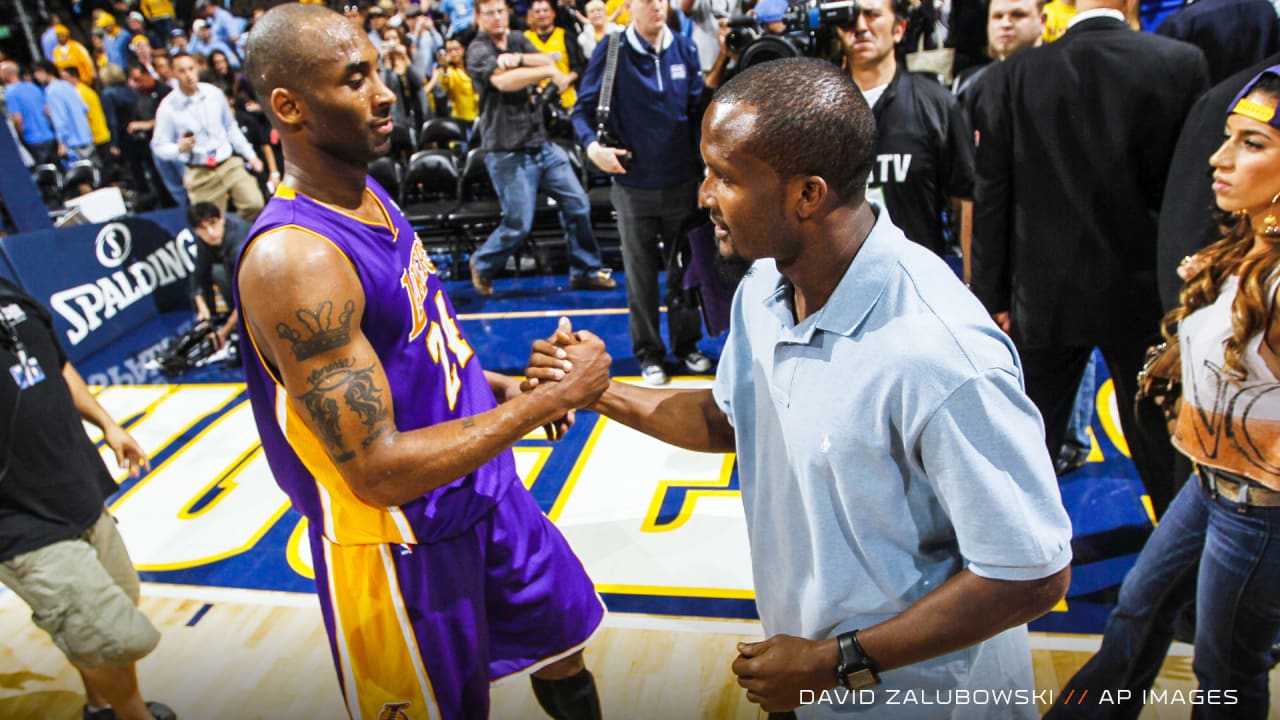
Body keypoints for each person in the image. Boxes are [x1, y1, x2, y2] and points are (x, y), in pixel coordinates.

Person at [532, 58, 1072, 717]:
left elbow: (1031, 574)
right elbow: (735, 418)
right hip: (815, 683)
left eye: (725, 177)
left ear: (807, 196)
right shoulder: (765, 286)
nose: (705, 195)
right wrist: (593, 391)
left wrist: (837, 661)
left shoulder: (941, 354)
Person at [237, 6, 610, 719]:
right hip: (399, 544)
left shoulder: (366, 191)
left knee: (563, 644)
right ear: (290, 107)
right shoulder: (296, 260)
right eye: (355, 81)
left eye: (378, 70)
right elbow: (376, 471)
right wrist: (530, 410)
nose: (384, 93)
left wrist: (507, 384)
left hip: (480, 489)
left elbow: (417, 345)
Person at [1046, 65, 1280, 720]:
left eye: (1252, 143)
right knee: (1139, 610)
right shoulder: (1247, 247)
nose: (1220, 157)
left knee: (1227, 670)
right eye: (1228, 137)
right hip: (1207, 485)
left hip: (1256, 506)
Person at [970, 0, 1209, 517]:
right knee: (1161, 451)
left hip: (1042, 295)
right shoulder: (1180, 63)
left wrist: (990, 296)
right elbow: (1188, 189)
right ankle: (1179, 584)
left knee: (1023, 450)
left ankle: (1006, 570)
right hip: (1147, 296)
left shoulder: (1015, 74)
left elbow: (993, 196)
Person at [0, 279, 175, 720]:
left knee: (116, 605)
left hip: (76, 485)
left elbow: (55, 365)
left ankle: (100, 706)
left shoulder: (10, 292)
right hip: (18, 521)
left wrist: (107, 424)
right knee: (113, 635)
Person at [573, 0, 709, 386]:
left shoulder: (684, 48)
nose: (657, 6)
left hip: (683, 183)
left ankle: (687, 345)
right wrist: (592, 148)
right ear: (629, 6)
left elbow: (699, 112)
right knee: (641, 277)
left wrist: (708, 172)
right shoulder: (612, 50)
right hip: (633, 187)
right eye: (647, 0)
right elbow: (581, 111)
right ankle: (649, 353)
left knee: (685, 273)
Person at [465, 0, 615, 296]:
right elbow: (505, 83)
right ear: (478, 17)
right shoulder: (477, 49)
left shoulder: (518, 39)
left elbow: (552, 60)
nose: (496, 17)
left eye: (499, 11)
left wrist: (520, 60)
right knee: (518, 223)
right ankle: (481, 264)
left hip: (541, 144)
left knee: (578, 204)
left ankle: (585, 270)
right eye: (489, 13)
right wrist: (537, 69)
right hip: (506, 151)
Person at [839, 0, 975, 260]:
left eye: (872, 15)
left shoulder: (936, 103)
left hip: (916, 280)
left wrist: (970, 282)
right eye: (850, 17)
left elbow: (965, 199)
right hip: (839, 283)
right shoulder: (818, 107)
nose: (860, 25)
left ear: (899, 28)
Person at [151, 53, 265, 221]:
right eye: (182, 71)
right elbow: (158, 146)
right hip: (200, 171)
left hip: (228, 163)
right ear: (173, 74)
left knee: (255, 204)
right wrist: (179, 148)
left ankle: (245, 237)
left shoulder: (214, 94)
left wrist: (251, 155)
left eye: (191, 69)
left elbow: (230, 127)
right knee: (210, 222)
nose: (188, 75)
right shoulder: (168, 108)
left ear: (197, 68)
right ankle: (229, 241)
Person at [188, 202, 247, 349]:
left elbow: (247, 298)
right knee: (213, 271)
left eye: (213, 224)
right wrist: (202, 308)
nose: (210, 233)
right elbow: (198, 275)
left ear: (221, 219)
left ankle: (240, 326)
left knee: (219, 272)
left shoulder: (238, 243)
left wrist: (224, 331)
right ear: (196, 231)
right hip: (238, 279)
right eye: (203, 228)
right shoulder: (205, 240)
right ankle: (212, 324)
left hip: (263, 285)